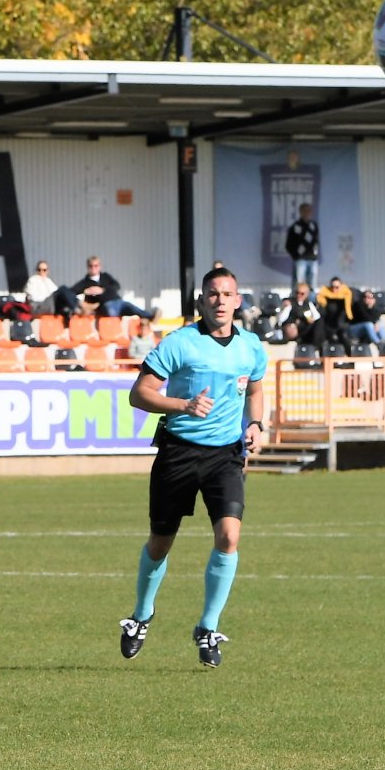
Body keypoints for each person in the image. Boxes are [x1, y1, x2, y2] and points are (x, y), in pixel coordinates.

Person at [118, 265, 267, 670]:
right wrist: (183, 405)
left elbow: (254, 390)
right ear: (201, 301)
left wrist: (254, 425)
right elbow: (139, 393)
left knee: (229, 536)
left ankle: (208, 627)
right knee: (160, 542)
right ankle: (141, 615)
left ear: (238, 301)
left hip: (226, 456)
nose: (220, 301)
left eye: (227, 294)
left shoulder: (251, 346)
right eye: (213, 294)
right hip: (179, 451)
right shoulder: (180, 343)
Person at [71, 255, 153, 320]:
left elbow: (117, 286)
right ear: (88, 267)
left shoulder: (106, 276)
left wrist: (102, 290)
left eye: (96, 265)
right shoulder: (84, 282)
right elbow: (71, 292)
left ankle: (151, 317)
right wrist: (85, 292)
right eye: (91, 266)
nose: (93, 268)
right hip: (105, 306)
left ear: (100, 266)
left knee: (133, 308)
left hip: (118, 302)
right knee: (111, 311)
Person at [274, 284, 325, 351]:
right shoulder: (290, 303)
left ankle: (316, 347)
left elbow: (317, 316)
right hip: (292, 328)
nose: (299, 295)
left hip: (304, 329)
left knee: (319, 323)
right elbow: (281, 319)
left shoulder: (308, 304)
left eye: (302, 293)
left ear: (307, 294)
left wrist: (311, 319)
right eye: (297, 293)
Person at [286, 203, 320, 291]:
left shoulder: (313, 226)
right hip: (300, 259)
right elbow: (289, 245)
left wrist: (315, 254)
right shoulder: (295, 227)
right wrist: (296, 255)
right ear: (301, 212)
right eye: (305, 211)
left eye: (309, 211)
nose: (308, 213)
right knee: (299, 282)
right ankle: (296, 300)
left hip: (312, 259)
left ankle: (311, 301)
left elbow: (316, 241)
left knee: (312, 282)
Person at [316, 277, 354, 348]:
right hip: (329, 326)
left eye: (337, 287)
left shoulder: (347, 295)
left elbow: (350, 313)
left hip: (342, 326)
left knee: (345, 337)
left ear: (341, 286)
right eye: (332, 287)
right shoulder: (325, 296)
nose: (334, 289)